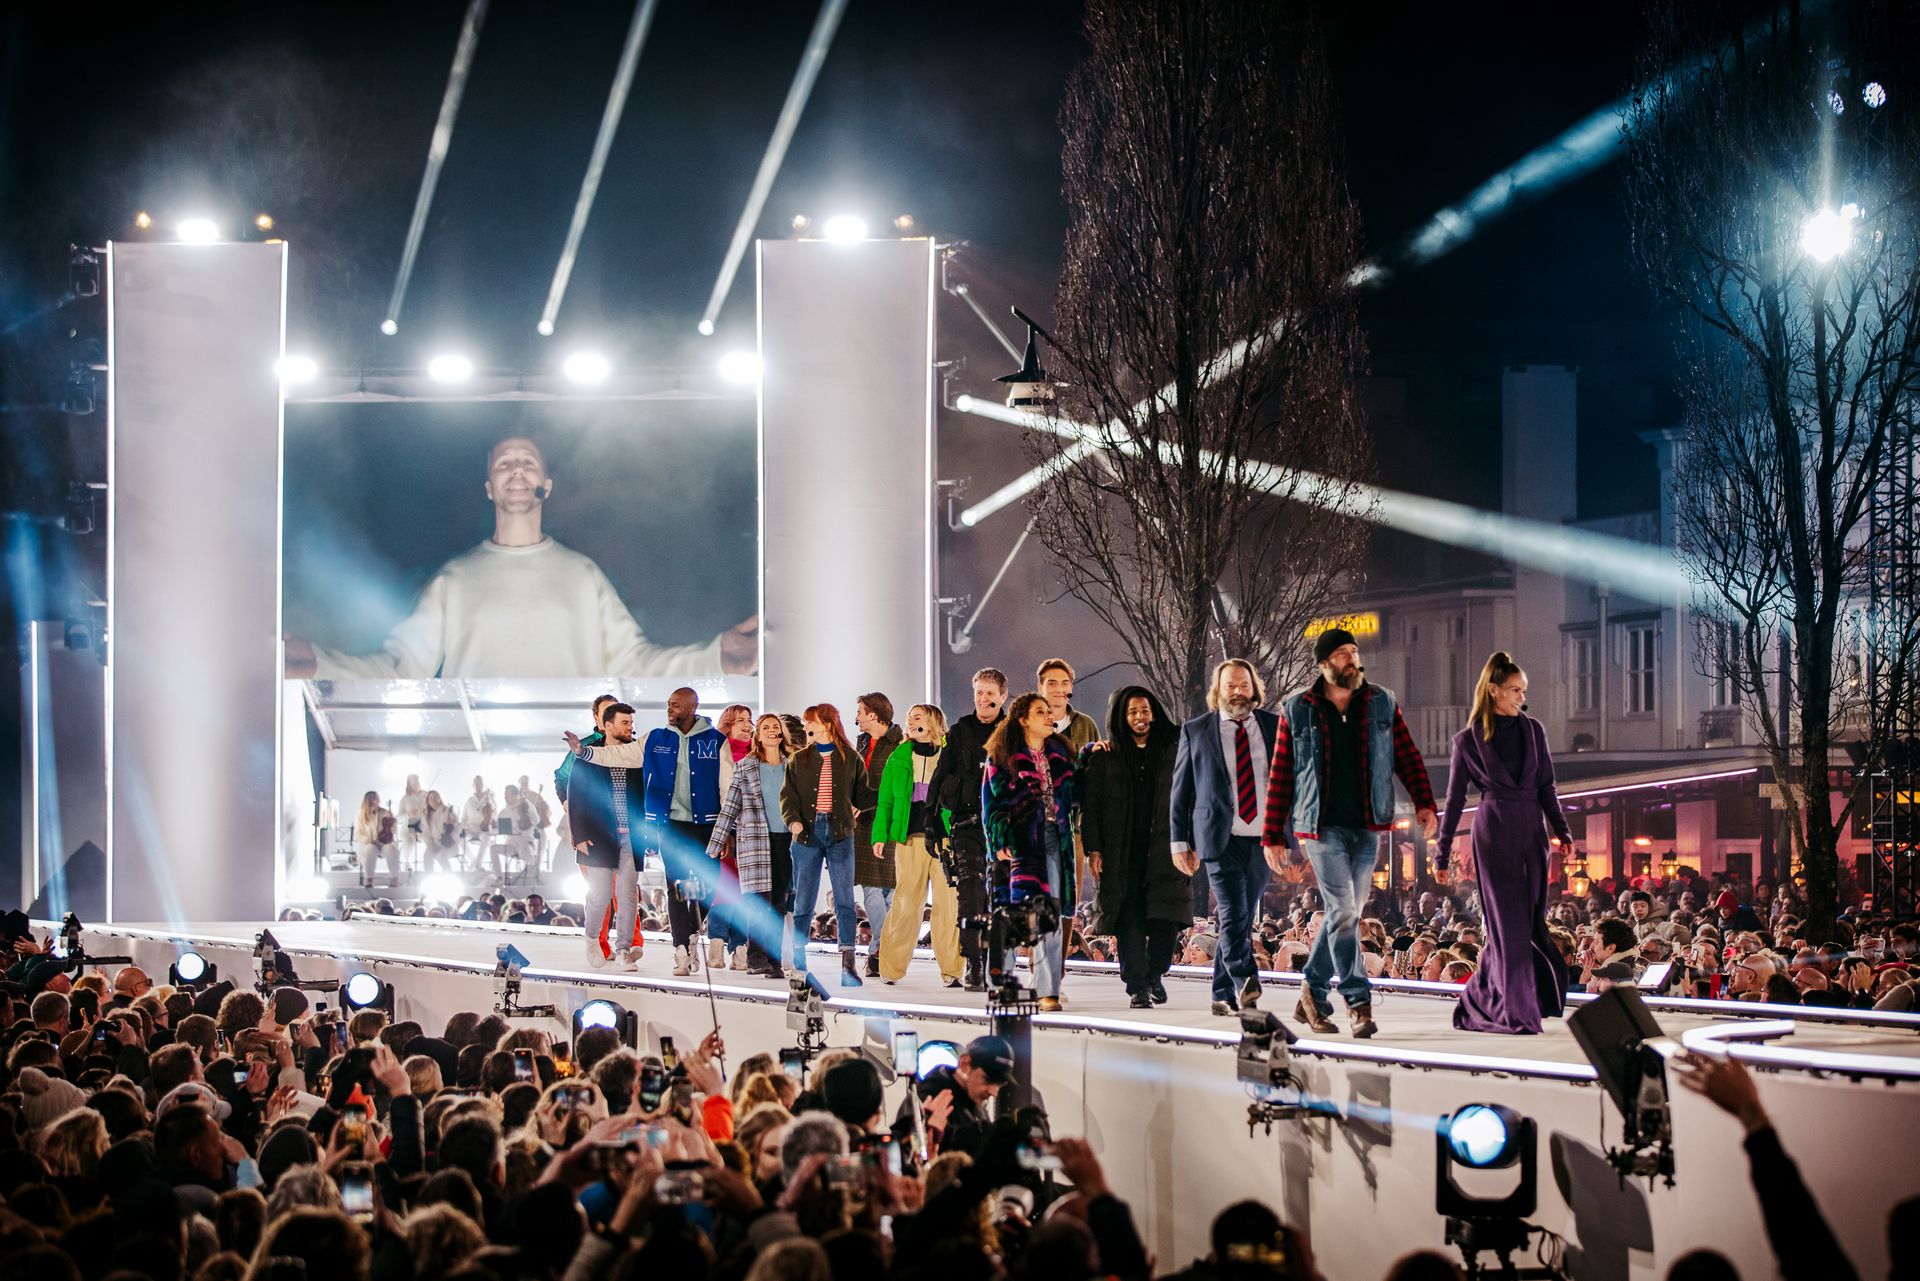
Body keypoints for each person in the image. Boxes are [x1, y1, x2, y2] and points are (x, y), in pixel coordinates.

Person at [284, 434, 758, 679]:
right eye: (504, 463)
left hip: (576, 770)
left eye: (527, 461)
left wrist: (717, 659)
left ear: (545, 485)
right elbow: (402, 668)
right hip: (479, 759)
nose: (516, 470)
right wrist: (318, 664)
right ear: (489, 487)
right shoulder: (456, 579)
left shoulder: (581, 576)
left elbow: (635, 663)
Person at [1262, 628, 1437, 1038]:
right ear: (1324, 664)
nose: (1352, 659)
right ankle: (1358, 1003)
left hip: (1369, 823)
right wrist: (1273, 833)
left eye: (1354, 652)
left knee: (1347, 915)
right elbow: (1281, 773)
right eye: (1342, 654)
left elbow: (1406, 754)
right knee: (1342, 911)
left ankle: (1313, 992)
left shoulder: (1381, 702)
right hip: (1320, 828)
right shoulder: (1297, 708)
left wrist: (1425, 801)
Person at [1437, 653, 1574, 1033]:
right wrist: (1442, 852)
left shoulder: (1534, 731)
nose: (1521, 697)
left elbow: (1547, 786)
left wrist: (1563, 831)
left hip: (1533, 835)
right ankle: (1519, 1014)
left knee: (1530, 924)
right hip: (1493, 832)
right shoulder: (1466, 741)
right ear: (1493, 690)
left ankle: (1483, 999)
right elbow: (1452, 801)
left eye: (1523, 690)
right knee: (1506, 924)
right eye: (1514, 690)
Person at [568, 687, 728, 977]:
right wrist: (584, 751)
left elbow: (727, 787)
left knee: (707, 887)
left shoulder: (716, 741)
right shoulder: (655, 739)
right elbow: (617, 756)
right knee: (664, 890)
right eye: (668, 703)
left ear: (692, 706)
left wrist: (727, 829)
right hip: (669, 828)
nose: (669, 708)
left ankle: (691, 935)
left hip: (707, 825)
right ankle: (673, 948)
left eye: (675, 704)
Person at [1171, 659, 1281, 1018]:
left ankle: (1221, 993)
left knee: (1243, 917)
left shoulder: (1275, 727)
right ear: (1217, 691)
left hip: (1263, 839)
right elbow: (1181, 791)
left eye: (1244, 685)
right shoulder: (1197, 730)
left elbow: (1288, 783)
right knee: (1233, 912)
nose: (1237, 692)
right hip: (1219, 838)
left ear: (1254, 689)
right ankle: (1245, 978)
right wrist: (1179, 841)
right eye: (1230, 686)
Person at [1080, 686, 1188, 1008]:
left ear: (1154, 711)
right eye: (1132, 712)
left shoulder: (1174, 750)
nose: (1139, 717)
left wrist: (1191, 842)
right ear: (1121, 717)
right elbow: (1092, 806)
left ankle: (1156, 973)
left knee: (1165, 919)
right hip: (1121, 854)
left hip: (1165, 850)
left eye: (1144, 710)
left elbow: (1190, 797)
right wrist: (1094, 849)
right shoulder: (1106, 757)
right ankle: (1137, 987)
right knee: (1129, 920)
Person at [983, 692, 1079, 1012]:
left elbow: (1077, 794)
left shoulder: (1061, 755)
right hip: (1021, 842)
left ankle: (1047, 988)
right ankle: (1001, 982)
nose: (1049, 716)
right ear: (1023, 719)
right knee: (1012, 913)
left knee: (1049, 912)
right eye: (1041, 712)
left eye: (1049, 712)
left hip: (1055, 837)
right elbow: (990, 805)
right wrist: (997, 842)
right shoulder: (1002, 756)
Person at [929, 668, 1008, 991]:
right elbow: (940, 773)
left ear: (1003, 696)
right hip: (966, 822)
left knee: (1001, 896)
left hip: (1004, 827)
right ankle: (974, 962)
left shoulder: (1012, 730)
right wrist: (931, 822)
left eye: (990, 693)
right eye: (979, 692)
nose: (984, 698)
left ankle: (997, 962)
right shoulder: (960, 731)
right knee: (971, 893)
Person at [780, 703, 869, 989]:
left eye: (813, 721)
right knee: (804, 899)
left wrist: (861, 808)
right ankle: (799, 964)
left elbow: (863, 794)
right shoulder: (798, 759)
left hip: (840, 832)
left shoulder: (850, 758)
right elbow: (788, 797)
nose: (808, 726)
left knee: (845, 900)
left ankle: (848, 965)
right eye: (807, 722)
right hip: (806, 834)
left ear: (828, 724)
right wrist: (793, 821)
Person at [873, 704, 962, 986]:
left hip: (945, 838)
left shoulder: (952, 753)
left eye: (918, 718)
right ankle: (890, 967)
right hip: (910, 837)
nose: (911, 722)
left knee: (948, 905)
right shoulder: (899, 756)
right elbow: (885, 798)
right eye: (910, 718)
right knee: (906, 902)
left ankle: (952, 970)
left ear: (934, 721)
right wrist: (879, 834)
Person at [707, 712, 789, 978]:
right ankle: (755, 957)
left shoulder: (793, 765)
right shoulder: (746, 766)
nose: (771, 730)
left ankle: (774, 961)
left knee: (778, 904)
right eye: (765, 727)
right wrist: (716, 843)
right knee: (757, 902)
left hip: (786, 841)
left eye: (775, 727)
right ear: (758, 734)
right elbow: (730, 806)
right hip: (755, 841)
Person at [566, 702, 645, 971]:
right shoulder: (589, 757)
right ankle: (591, 939)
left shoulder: (636, 756)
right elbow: (575, 796)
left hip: (631, 837)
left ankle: (623, 951)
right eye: (625, 723)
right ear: (607, 725)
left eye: (631, 723)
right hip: (599, 837)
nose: (630, 728)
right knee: (599, 895)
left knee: (627, 896)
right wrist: (580, 835)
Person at [1037, 658, 1101, 902]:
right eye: (1052, 683)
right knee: (1034, 897)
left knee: (1067, 898)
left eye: (1065, 683)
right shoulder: (1025, 723)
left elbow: (1094, 779)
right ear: (1040, 687)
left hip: (1072, 826)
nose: (1059, 689)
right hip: (1034, 824)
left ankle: (1065, 942)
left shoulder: (1085, 725)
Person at [852, 693, 905, 978]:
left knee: (890, 890)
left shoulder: (899, 743)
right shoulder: (862, 742)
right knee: (871, 888)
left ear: (874, 714)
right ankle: (883, 948)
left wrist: (864, 804)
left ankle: (878, 950)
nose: (857, 717)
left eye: (860, 712)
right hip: (862, 824)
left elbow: (895, 787)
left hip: (889, 821)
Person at [893, 1034, 1012, 1159]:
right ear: (965, 1064)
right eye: (987, 1080)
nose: (994, 1092)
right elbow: (912, 1152)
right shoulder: (931, 1096)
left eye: (1000, 1084)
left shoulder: (973, 1099)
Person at [707, 704, 757, 968]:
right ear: (728, 725)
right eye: (740, 721)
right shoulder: (717, 753)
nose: (747, 725)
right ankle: (716, 943)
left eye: (749, 720)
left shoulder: (758, 754)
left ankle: (739, 947)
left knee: (745, 889)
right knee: (724, 888)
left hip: (752, 829)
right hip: (724, 826)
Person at [354, 791, 403, 888]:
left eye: (376, 799)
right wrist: (368, 839)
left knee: (390, 850)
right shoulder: (361, 814)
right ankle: (369, 879)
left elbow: (393, 830)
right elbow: (358, 833)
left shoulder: (384, 812)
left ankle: (395, 878)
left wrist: (391, 821)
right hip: (369, 842)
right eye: (373, 799)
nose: (376, 802)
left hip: (383, 842)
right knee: (370, 849)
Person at [459, 776, 494, 872]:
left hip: (483, 829)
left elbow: (494, 812)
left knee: (487, 838)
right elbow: (464, 818)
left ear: (483, 785)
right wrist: (464, 827)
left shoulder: (489, 798)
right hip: (470, 829)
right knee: (460, 839)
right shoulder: (469, 800)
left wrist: (490, 799)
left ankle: (477, 864)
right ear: (473, 785)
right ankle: (474, 862)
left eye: (480, 783)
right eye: (476, 783)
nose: (478, 785)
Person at [395, 774, 428, 876]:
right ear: (409, 784)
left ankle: (429, 864)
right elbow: (398, 818)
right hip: (408, 827)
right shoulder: (405, 799)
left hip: (423, 827)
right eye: (413, 782)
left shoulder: (426, 795)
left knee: (431, 840)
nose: (415, 784)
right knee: (410, 840)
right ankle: (407, 861)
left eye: (417, 781)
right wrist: (408, 815)